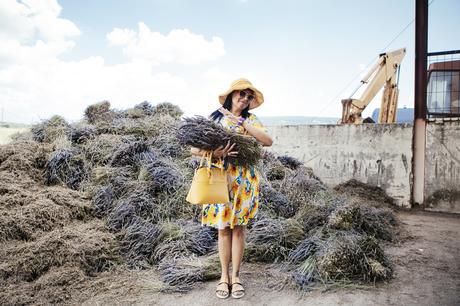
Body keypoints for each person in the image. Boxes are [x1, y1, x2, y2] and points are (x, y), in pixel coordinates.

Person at [190, 78, 273, 299]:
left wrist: (243, 123)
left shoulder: (251, 119)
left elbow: (267, 141)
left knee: (239, 229)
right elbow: (194, 148)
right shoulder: (216, 117)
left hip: (244, 182)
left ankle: (236, 277)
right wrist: (214, 154)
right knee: (223, 229)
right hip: (221, 179)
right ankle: (223, 277)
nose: (245, 99)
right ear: (232, 94)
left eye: (249, 96)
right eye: (241, 94)